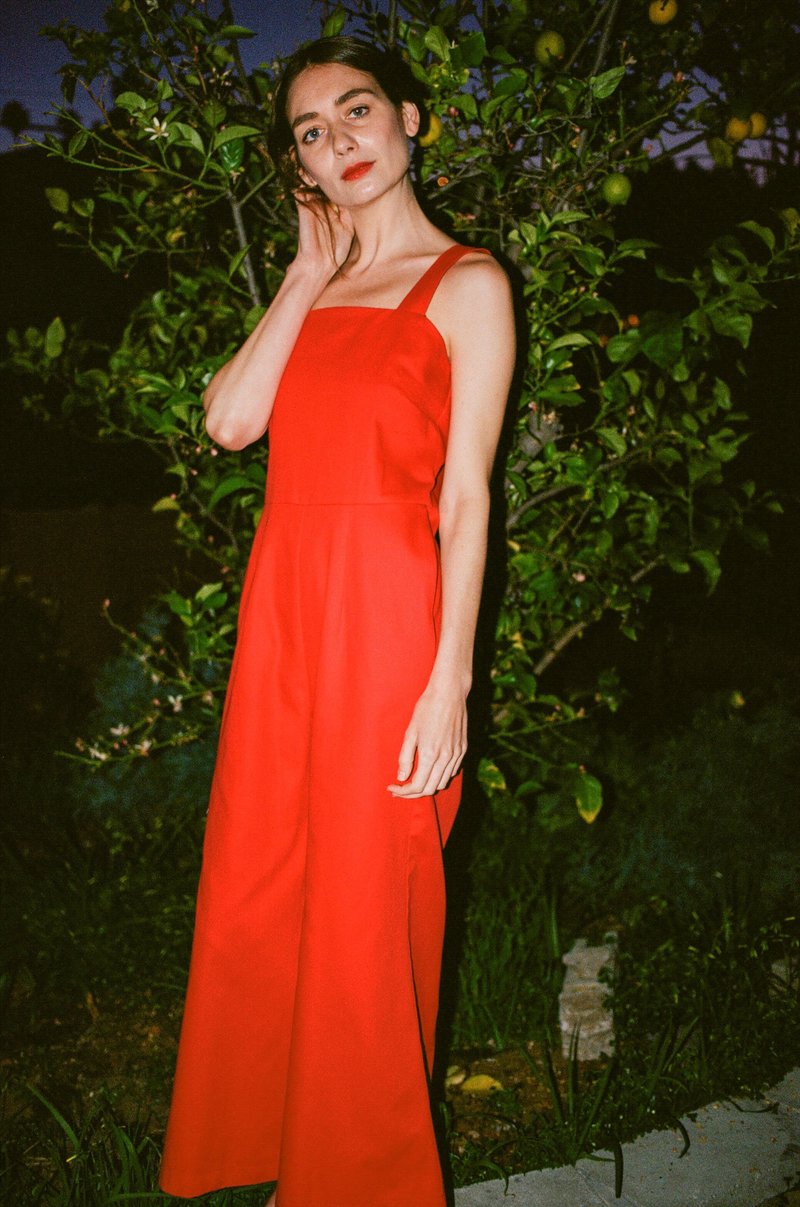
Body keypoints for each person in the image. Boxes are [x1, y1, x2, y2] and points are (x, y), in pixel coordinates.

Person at [158, 33, 515, 1207]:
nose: (337, 140)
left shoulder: (465, 283)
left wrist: (448, 681)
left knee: (366, 912)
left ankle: (355, 1182)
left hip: (386, 629)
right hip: (285, 626)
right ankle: (276, 1155)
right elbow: (228, 423)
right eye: (309, 131)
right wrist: (302, 276)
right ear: (299, 165)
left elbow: (468, 499)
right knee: (261, 883)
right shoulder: (311, 292)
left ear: (410, 118)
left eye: (356, 110)